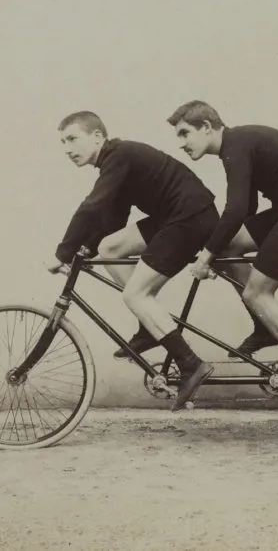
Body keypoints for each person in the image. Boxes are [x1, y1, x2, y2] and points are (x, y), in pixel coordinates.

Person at [167, 100, 278, 414]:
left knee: (257, 291)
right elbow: (245, 208)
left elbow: (235, 210)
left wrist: (205, 255)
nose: (181, 144)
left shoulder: (236, 146)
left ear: (207, 127)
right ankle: (263, 325)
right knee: (227, 247)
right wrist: (213, 248)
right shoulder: (236, 145)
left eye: (185, 134)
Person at [47, 111, 218, 412]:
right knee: (109, 248)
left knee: (135, 293)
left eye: (72, 138)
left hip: (191, 217)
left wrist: (63, 251)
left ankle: (191, 364)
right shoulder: (114, 162)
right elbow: (113, 217)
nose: (67, 148)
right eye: (62, 142)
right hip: (176, 216)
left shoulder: (119, 154)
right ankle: (148, 324)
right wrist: (86, 249)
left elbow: (91, 207)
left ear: (98, 137)